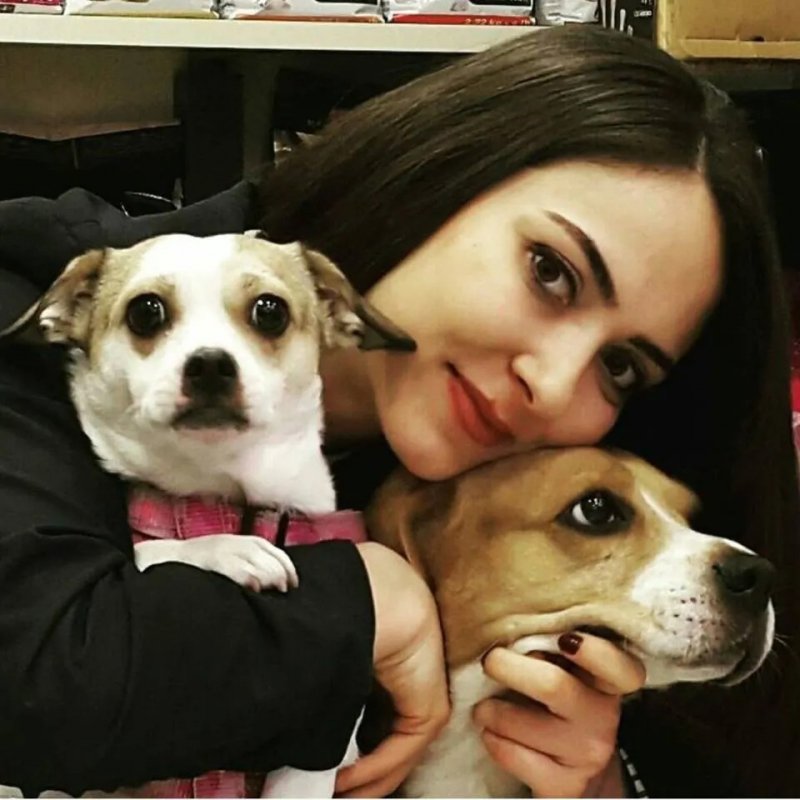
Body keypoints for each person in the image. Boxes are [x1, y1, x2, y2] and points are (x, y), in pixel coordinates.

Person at [0, 24, 796, 798]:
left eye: (619, 366)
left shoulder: (516, 489)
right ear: (438, 171)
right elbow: (37, 684)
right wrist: (360, 601)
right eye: (550, 272)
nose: (553, 386)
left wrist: (592, 781)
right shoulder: (34, 296)